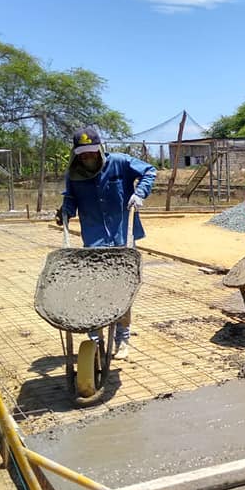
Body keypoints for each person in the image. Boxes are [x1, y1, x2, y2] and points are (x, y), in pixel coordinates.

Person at [58, 126, 156, 360]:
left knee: (122, 292)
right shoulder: (74, 174)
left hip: (122, 240)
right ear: (76, 153)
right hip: (94, 243)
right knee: (93, 292)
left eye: (91, 152)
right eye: (83, 154)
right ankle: (95, 341)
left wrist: (140, 193)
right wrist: (65, 211)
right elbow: (70, 198)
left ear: (100, 149)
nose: (88, 156)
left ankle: (122, 339)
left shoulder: (120, 162)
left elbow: (150, 171)